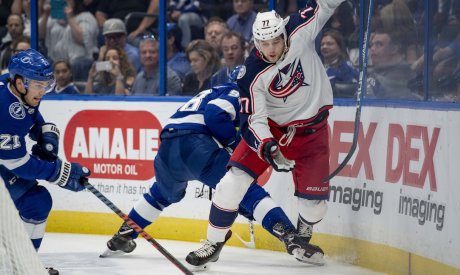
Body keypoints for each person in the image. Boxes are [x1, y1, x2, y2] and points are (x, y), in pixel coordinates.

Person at [101, 68, 322, 266]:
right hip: (196, 146)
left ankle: (123, 235)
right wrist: (234, 147)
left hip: (168, 148)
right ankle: (292, 238)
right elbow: (215, 114)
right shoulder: (238, 91)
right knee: (245, 191)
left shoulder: (211, 91)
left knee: (161, 193)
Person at [186, 0, 346, 268]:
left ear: (283, 34)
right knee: (230, 185)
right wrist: (270, 148)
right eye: (265, 44)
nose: (271, 49)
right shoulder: (251, 73)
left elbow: (326, 5)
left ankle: (303, 232)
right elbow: (253, 120)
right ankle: (213, 243)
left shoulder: (299, 29)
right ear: (256, 43)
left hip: (312, 133)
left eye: (275, 41)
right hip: (272, 131)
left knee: (314, 207)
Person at [0, 49, 90, 275]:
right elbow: (17, 163)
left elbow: (28, 114)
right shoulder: (6, 111)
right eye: (38, 85)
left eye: (45, 85)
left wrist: (41, 129)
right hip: (7, 162)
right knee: (34, 201)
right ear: (20, 83)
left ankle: (23, 264)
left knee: (36, 202)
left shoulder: (13, 86)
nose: (43, 91)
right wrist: (59, 172)